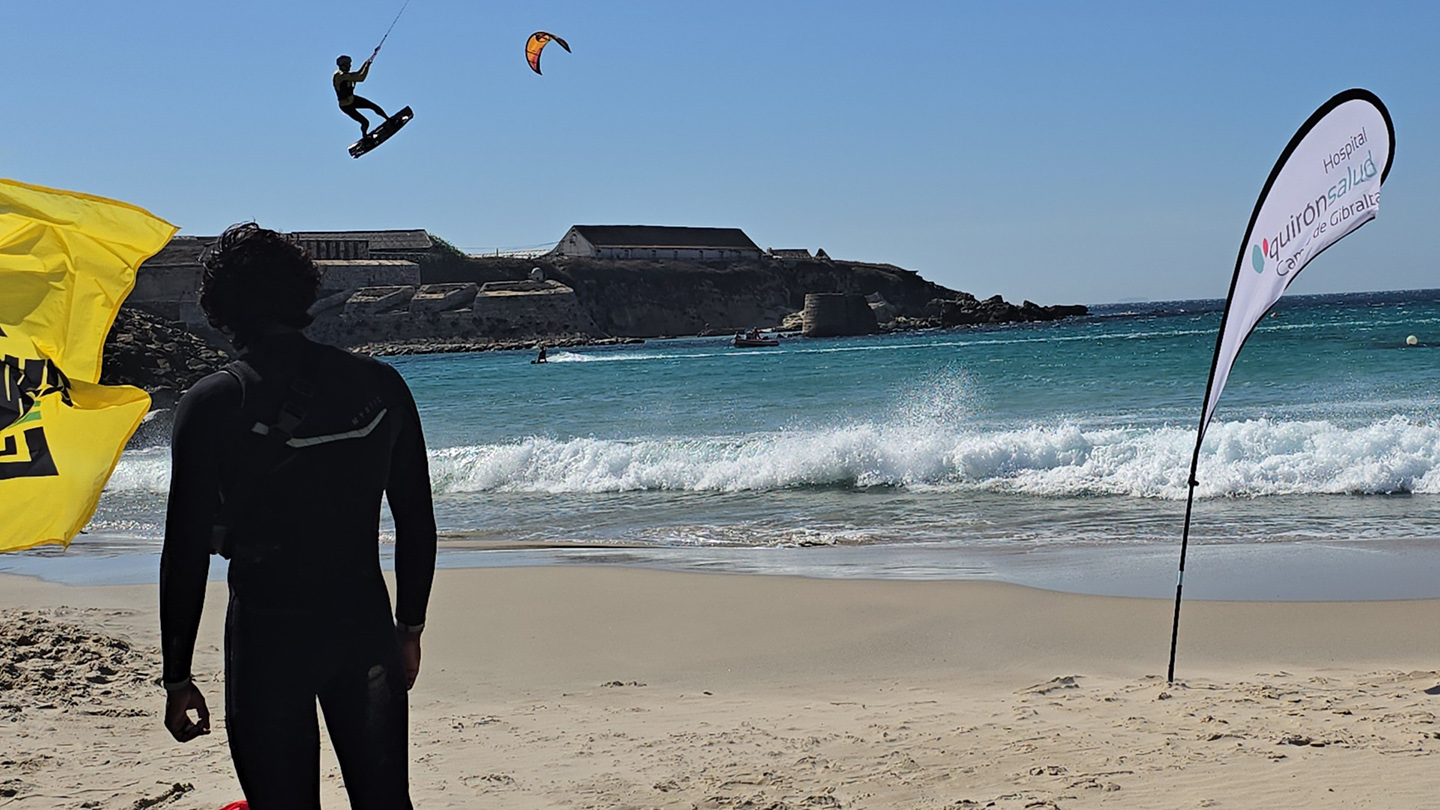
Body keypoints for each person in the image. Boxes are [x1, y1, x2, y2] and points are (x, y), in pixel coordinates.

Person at [160, 223, 437, 808]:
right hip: (363, 628)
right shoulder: (381, 384)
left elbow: (184, 549)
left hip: (268, 636)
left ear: (219, 307)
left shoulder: (213, 402)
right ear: (304, 292)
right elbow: (416, 521)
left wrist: (178, 675)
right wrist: (409, 629)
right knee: (386, 801)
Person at [334, 54, 390, 136]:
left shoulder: (345, 74)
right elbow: (361, 78)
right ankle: (365, 137)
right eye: (348, 64)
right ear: (343, 65)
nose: (350, 65)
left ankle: (389, 120)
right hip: (346, 106)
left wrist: (367, 63)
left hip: (352, 100)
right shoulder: (340, 76)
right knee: (365, 122)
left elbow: (357, 73)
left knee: (374, 107)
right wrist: (367, 66)